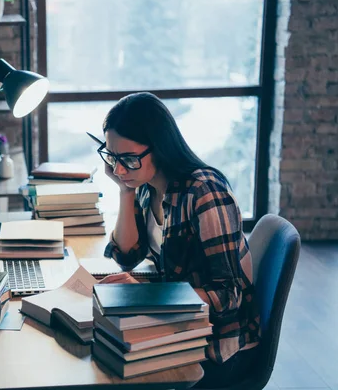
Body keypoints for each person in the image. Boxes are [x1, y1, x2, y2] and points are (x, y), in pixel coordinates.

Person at [97, 92, 260, 388]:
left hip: (217, 345)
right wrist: (125, 191)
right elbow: (127, 255)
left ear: (159, 148)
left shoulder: (205, 193)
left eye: (129, 159)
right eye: (113, 157)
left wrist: (145, 297)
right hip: (180, 324)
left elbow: (228, 296)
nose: (119, 170)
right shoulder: (147, 185)